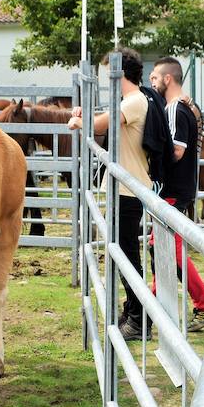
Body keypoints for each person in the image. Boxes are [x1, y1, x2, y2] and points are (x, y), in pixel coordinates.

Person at [68, 47, 151, 340]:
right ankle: (132, 310)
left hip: (129, 189)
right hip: (123, 187)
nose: (107, 81)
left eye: (109, 75)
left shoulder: (135, 101)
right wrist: (84, 114)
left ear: (120, 74)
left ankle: (140, 320)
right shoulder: (130, 101)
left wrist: (80, 120)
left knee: (127, 255)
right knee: (121, 253)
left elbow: (100, 123)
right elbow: (102, 119)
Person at [149, 56, 204, 331]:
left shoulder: (176, 108)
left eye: (155, 77)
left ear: (168, 78)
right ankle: (150, 307)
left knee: (172, 250)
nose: (151, 82)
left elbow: (176, 151)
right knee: (160, 246)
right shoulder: (185, 106)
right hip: (178, 188)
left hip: (174, 189)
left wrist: (152, 157)